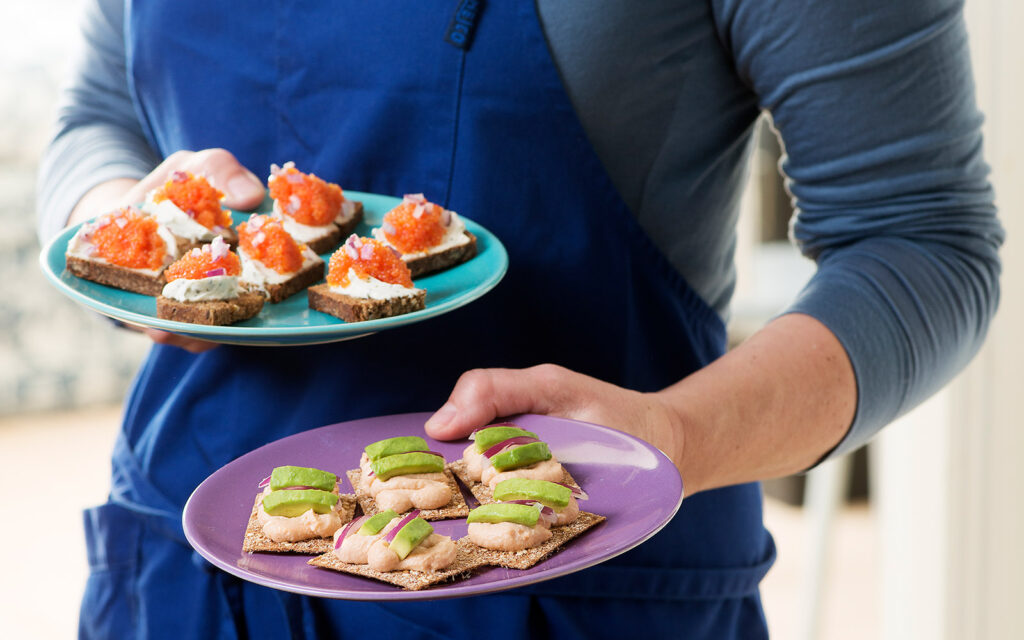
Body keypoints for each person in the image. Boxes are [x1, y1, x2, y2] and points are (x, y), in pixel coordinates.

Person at [38, 1, 1002, 638]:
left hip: (569, 573)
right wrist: (134, 227)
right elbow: (100, 111)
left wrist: (680, 436)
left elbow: (921, 237)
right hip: (189, 563)